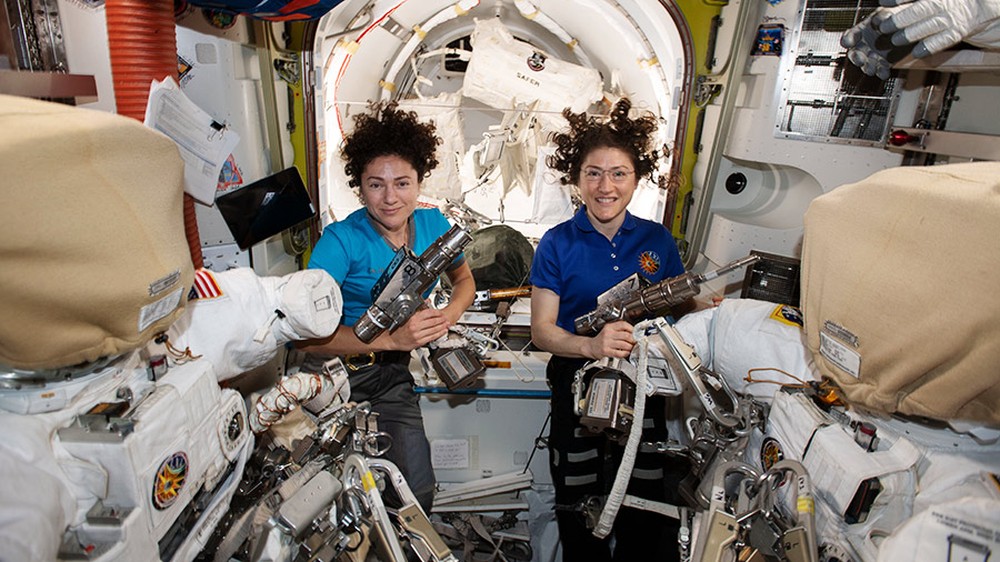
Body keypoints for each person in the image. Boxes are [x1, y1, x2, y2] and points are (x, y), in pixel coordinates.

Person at [529, 98, 687, 562]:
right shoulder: (556, 243)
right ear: (577, 179)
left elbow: (675, 305)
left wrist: (702, 303)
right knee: (578, 500)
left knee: (643, 500)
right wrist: (592, 345)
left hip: (644, 388)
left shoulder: (656, 240)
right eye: (593, 173)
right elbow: (541, 331)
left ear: (636, 180)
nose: (605, 186)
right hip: (575, 385)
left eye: (619, 173)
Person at [300, 101, 475, 513]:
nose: (390, 197)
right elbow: (307, 340)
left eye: (402, 183)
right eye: (376, 184)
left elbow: (464, 281)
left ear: (419, 182)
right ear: (359, 186)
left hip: (391, 378)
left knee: (414, 493)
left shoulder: (435, 227)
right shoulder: (341, 242)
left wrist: (444, 320)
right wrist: (393, 338)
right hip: (334, 378)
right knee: (340, 504)